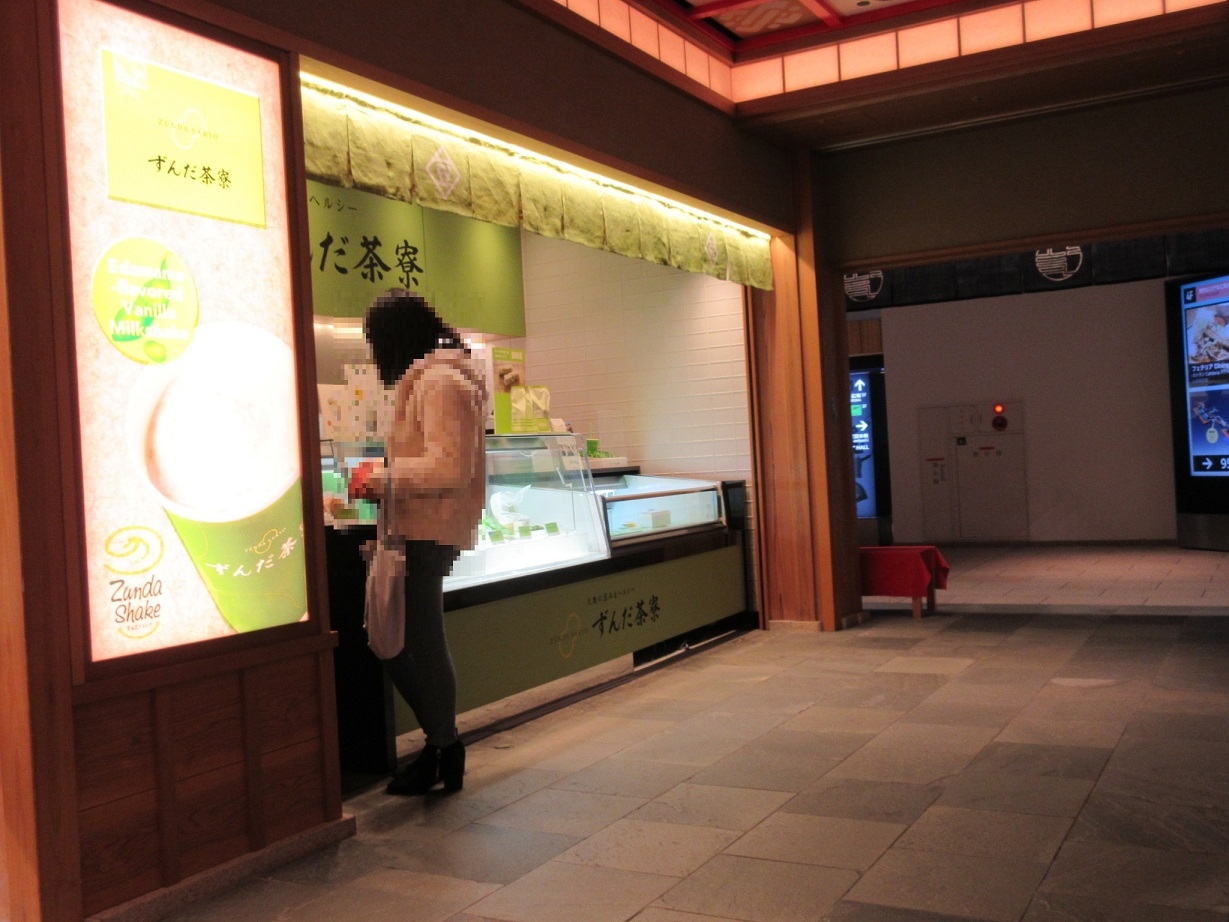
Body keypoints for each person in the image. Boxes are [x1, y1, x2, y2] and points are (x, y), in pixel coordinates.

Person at [348, 290, 488, 795]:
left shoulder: (440, 383)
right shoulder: (435, 378)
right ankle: (441, 748)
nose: (374, 354)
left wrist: (382, 477)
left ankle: (445, 748)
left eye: (375, 342)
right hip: (421, 528)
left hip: (428, 530)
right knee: (405, 641)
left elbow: (449, 466)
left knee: (414, 644)